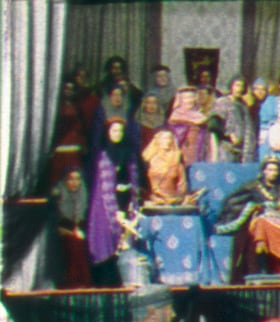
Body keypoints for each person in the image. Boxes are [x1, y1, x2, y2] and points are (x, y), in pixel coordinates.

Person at [86, 117, 140, 285]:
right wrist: (113, 210)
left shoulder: (129, 153)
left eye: (120, 131)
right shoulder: (102, 155)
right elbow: (102, 184)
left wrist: (132, 200)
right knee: (106, 241)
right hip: (105, 204)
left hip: (126, 200)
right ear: (107, 132)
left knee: (127, 242)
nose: (118, 134)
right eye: (114, 130)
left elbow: (134, 178)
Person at [53, 166, 92, 288]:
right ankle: (72, 283)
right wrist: (70, 232)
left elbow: (84, 222)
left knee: (79, 243)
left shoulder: (83, 194)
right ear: (65, 180)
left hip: (78, 232)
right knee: (73, 243)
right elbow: (53, 223)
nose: (75, 182)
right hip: (61, 233)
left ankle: (83, 283)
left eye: (78, 179)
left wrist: (79, 232)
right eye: (71, 179)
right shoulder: (57, 196)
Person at [141, 129, 202, 206]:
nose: (168, 141)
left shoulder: (177, 163)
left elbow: (182, 186)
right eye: (164, 138)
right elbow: (142, 184)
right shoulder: (149, 162)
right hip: (153, 201)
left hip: (172, 200)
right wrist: (151, 197)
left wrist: (176, 197)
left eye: (169, 139)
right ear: (158, 141)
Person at [210, 75, 257, 163]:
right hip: (225, 148)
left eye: (242, 86)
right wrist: (228, 136)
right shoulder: (222, 102)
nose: (239, 89)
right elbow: (214, 124)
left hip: (240, 151)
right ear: (231, 87)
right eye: (237, 85)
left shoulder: (243, 106)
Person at [167, 87, 211, 165]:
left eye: (191, 97)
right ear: (180, 100)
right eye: (186, 98)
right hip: (182, 151)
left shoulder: (200, 116)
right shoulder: (175, 116)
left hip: (199, 150)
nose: (189, 100)